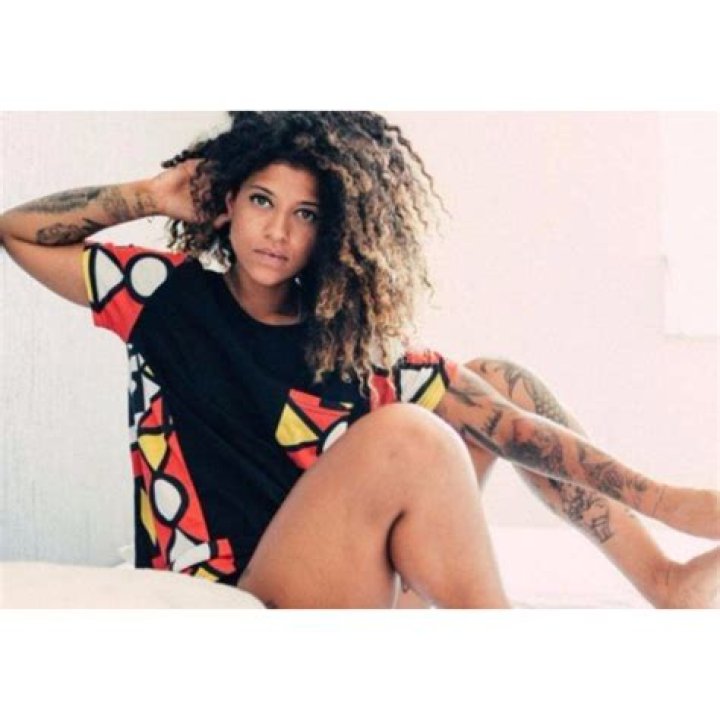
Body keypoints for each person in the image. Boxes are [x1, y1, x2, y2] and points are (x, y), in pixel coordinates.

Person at [1, 111, 718, 608]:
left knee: (497, 383)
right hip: (239, 590)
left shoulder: (350, 344)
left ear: (334, 231)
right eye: (261, 201)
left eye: (306, 214)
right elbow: (19, 232)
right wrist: (151, 195)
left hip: (346, 580)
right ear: (227, 203)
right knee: (408, 434)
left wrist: (663, 500)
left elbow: (509, 427)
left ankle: (663, 579)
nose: (278, 231)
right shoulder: (163, 296)